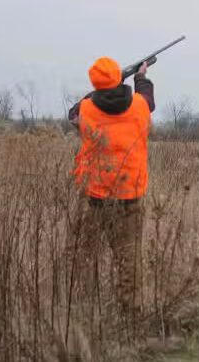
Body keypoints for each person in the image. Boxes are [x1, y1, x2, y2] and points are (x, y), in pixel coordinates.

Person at [68, 56, 155, 326]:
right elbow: (147, 100)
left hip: (94, 195)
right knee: (128, 257)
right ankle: (131, 315)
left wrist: (99, 91)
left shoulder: (86, 109)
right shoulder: (140, 106)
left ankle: (80, 309)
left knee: (83, 254)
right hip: (129, 195)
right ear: (120, 78)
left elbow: (73, 113)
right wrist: (139, 77)